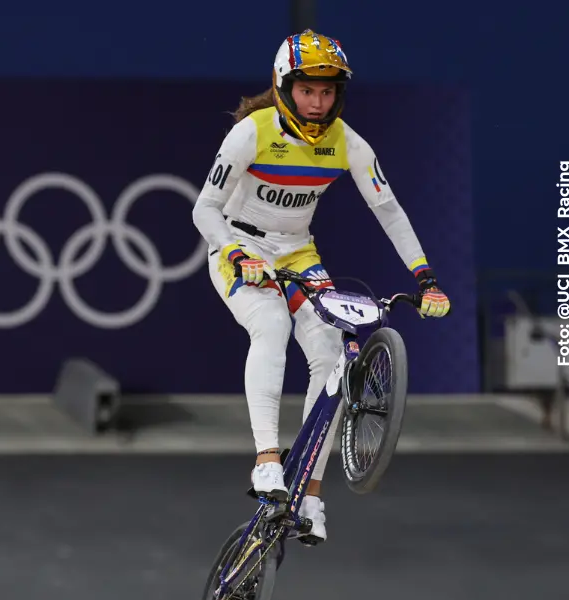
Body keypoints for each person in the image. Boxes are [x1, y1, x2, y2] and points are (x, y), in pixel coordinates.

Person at [191, 30, 450, 544]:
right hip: (239, 247)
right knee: (270, 323)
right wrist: (236, 253)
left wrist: (426, 278)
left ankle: (309, 489)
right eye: (308, 90)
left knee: (332, 352)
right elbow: (204, 209)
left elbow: (389, 211)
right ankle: (266, 461)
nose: (318, 102)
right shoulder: (251, 133)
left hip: (297, 252)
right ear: (284, 86)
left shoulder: (347, 143)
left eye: (329, 92)